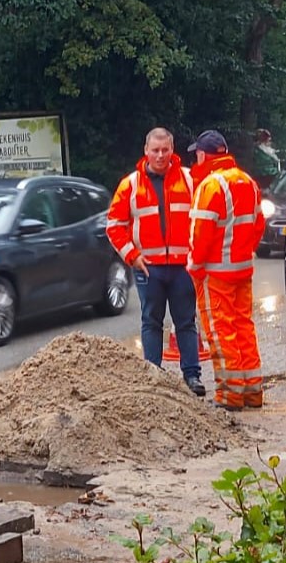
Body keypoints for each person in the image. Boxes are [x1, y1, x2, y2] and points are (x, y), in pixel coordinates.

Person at [106, 128, 203, 393]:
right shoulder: (131, 184)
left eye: (165, 150)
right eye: (155, 150)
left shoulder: (189, 179)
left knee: (186, 321)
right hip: (149, 267)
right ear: (146, 151)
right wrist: (132, 256)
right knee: (151, 322)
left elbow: (202, 221)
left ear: (173, 150)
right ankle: (152, 378)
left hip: (183, 266)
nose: (160, 155)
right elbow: (114, 225)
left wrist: (197, 257)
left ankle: (192, 377)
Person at [187, 130, 267, 409]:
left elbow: (201, 235)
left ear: (201, 155)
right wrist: (244, 251)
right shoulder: (248, 181)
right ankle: (252, 391)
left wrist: (194, 266)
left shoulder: (209, 186)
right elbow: (259, 226)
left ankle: (231, 394)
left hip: (215, 273)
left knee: (221, 332)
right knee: (244, 326)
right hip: (242, 270)